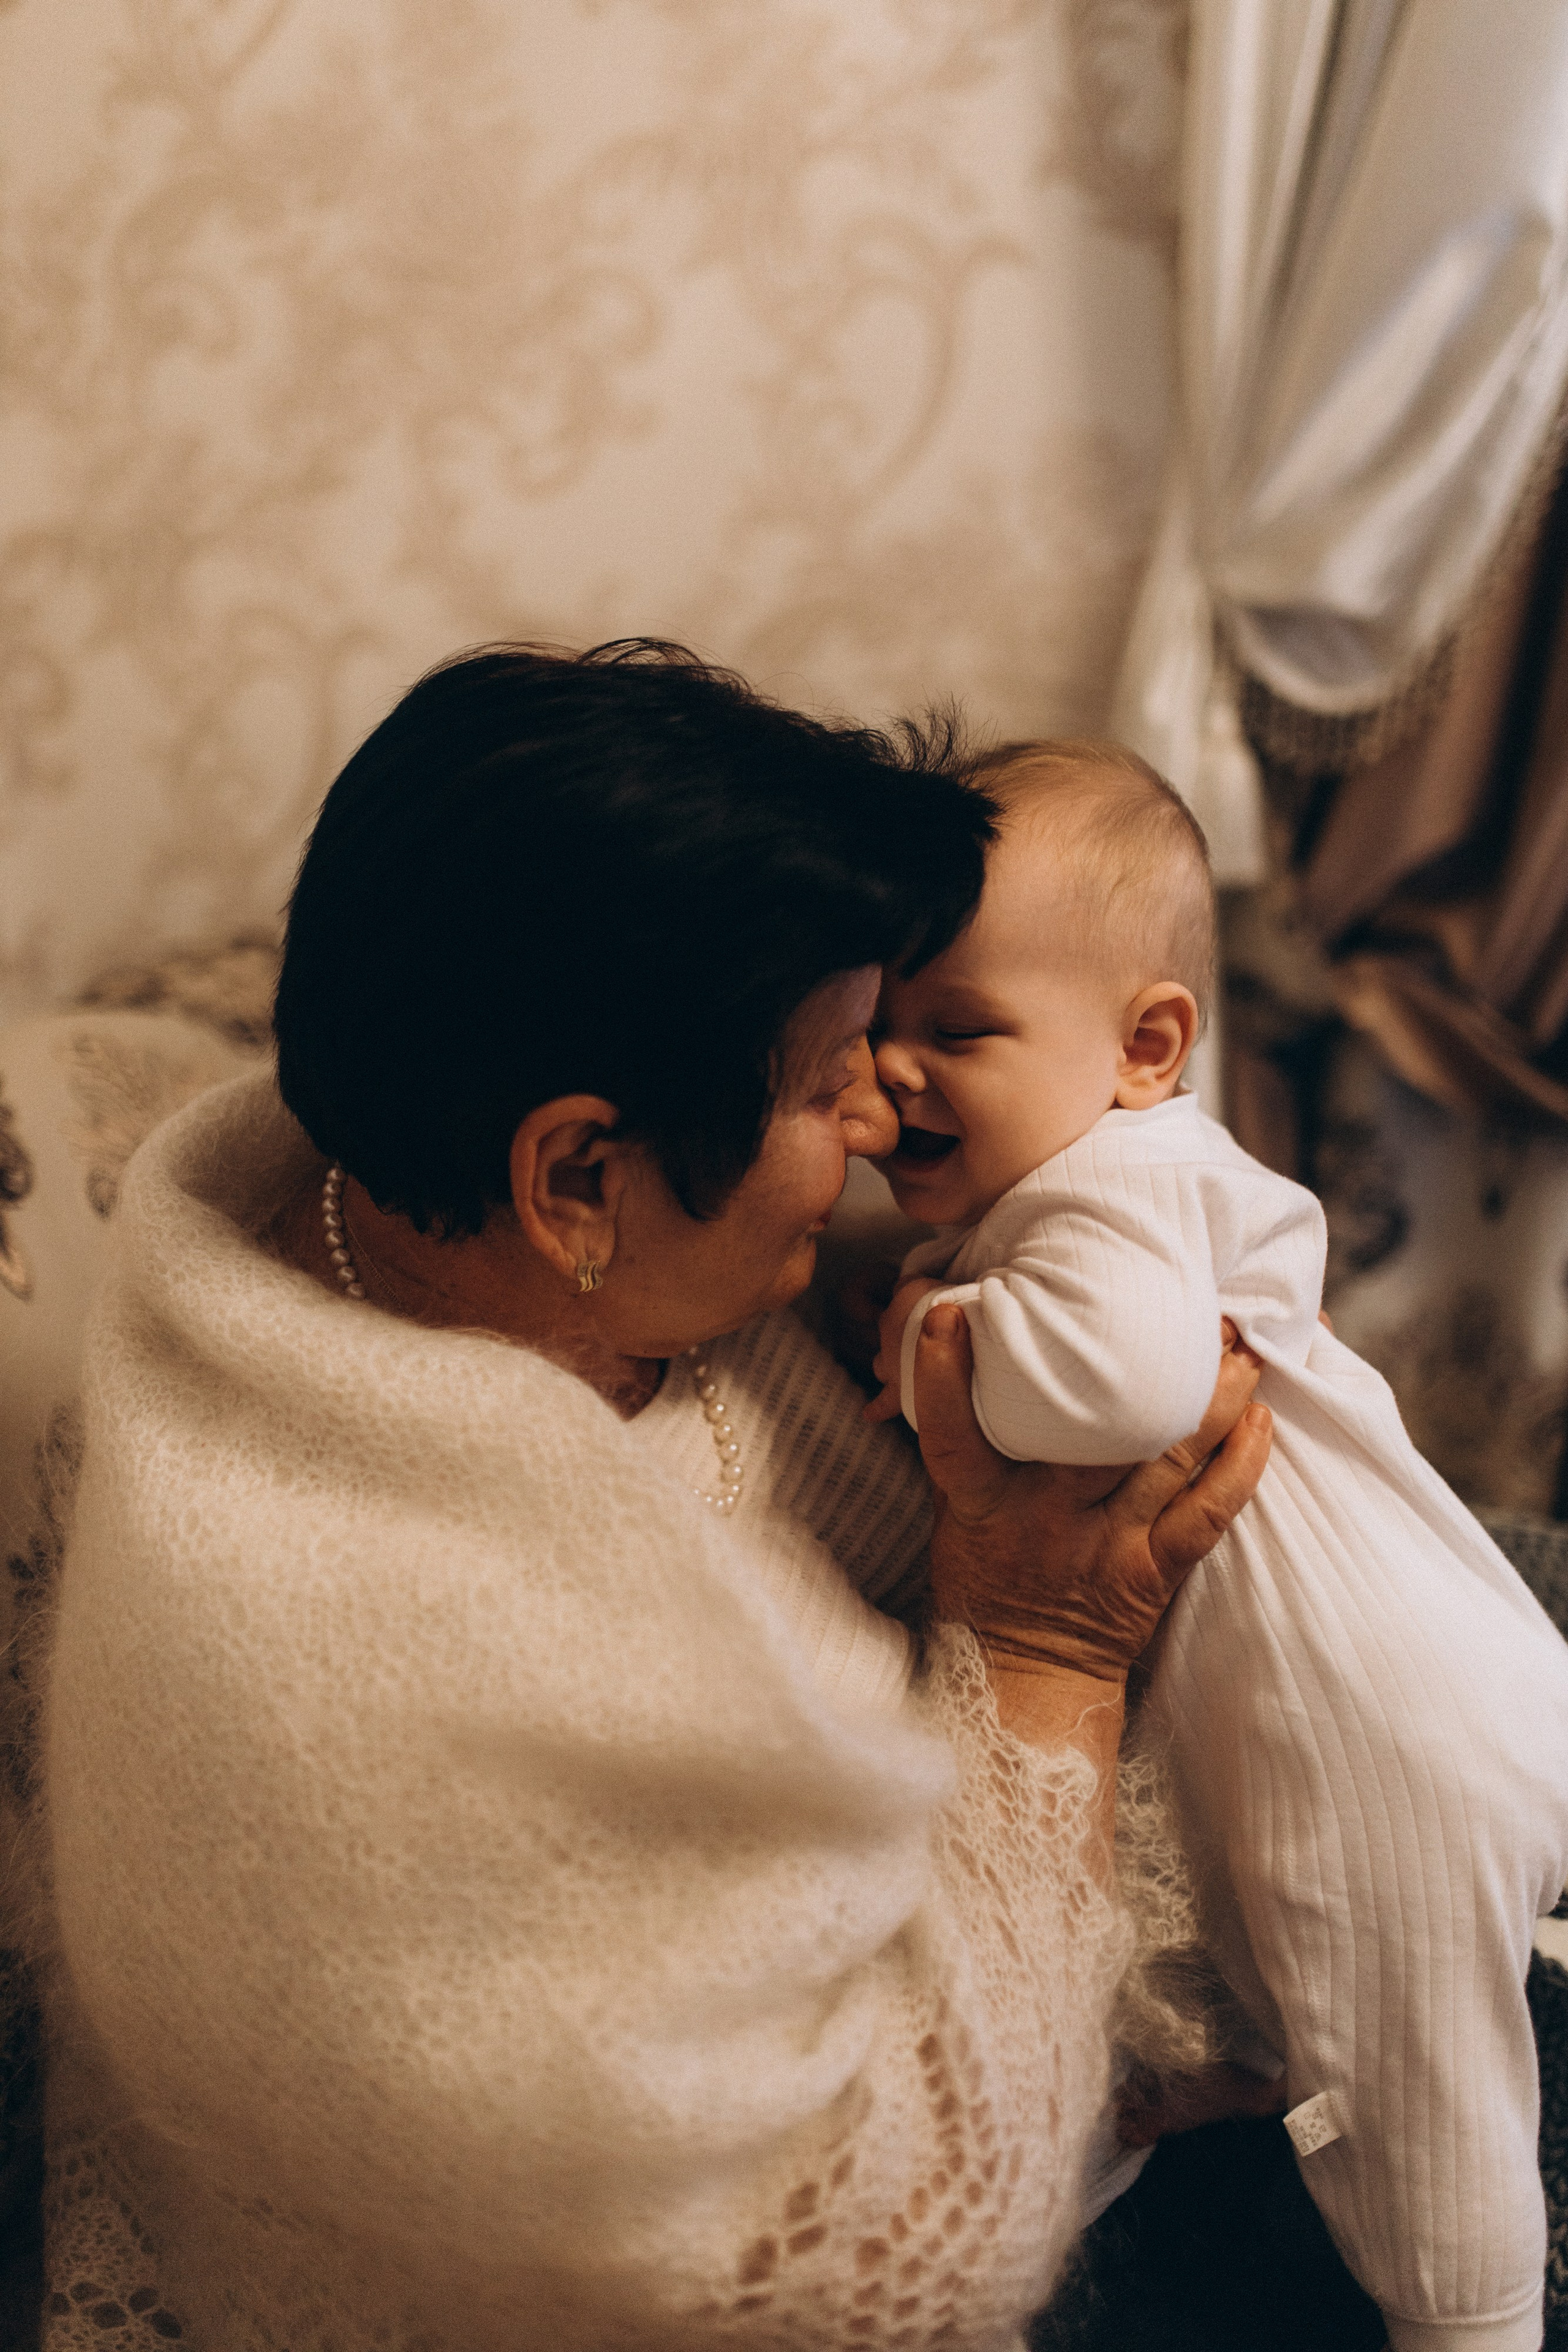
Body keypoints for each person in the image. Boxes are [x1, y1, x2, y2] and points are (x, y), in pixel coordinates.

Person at [40, 647, 1270, 2352]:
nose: (878, 1116)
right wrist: (1044, 1646)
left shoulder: (487, 1220)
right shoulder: (382, 1656)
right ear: (577, 1177)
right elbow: (912, 2255)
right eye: (836, 1066)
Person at [869, 736, 1568, 2352]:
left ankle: (1473, 2321)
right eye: (879, 1028)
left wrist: (925, 1336)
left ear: (1145, 1046)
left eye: (955, 1030)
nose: (898, 1075)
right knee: (1313, 1978)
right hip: (1434, 1662)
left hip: (1375, 1731)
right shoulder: (1115, 1174)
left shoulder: (1102, 1192)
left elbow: (1129, 1381)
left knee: (1413, 2088)